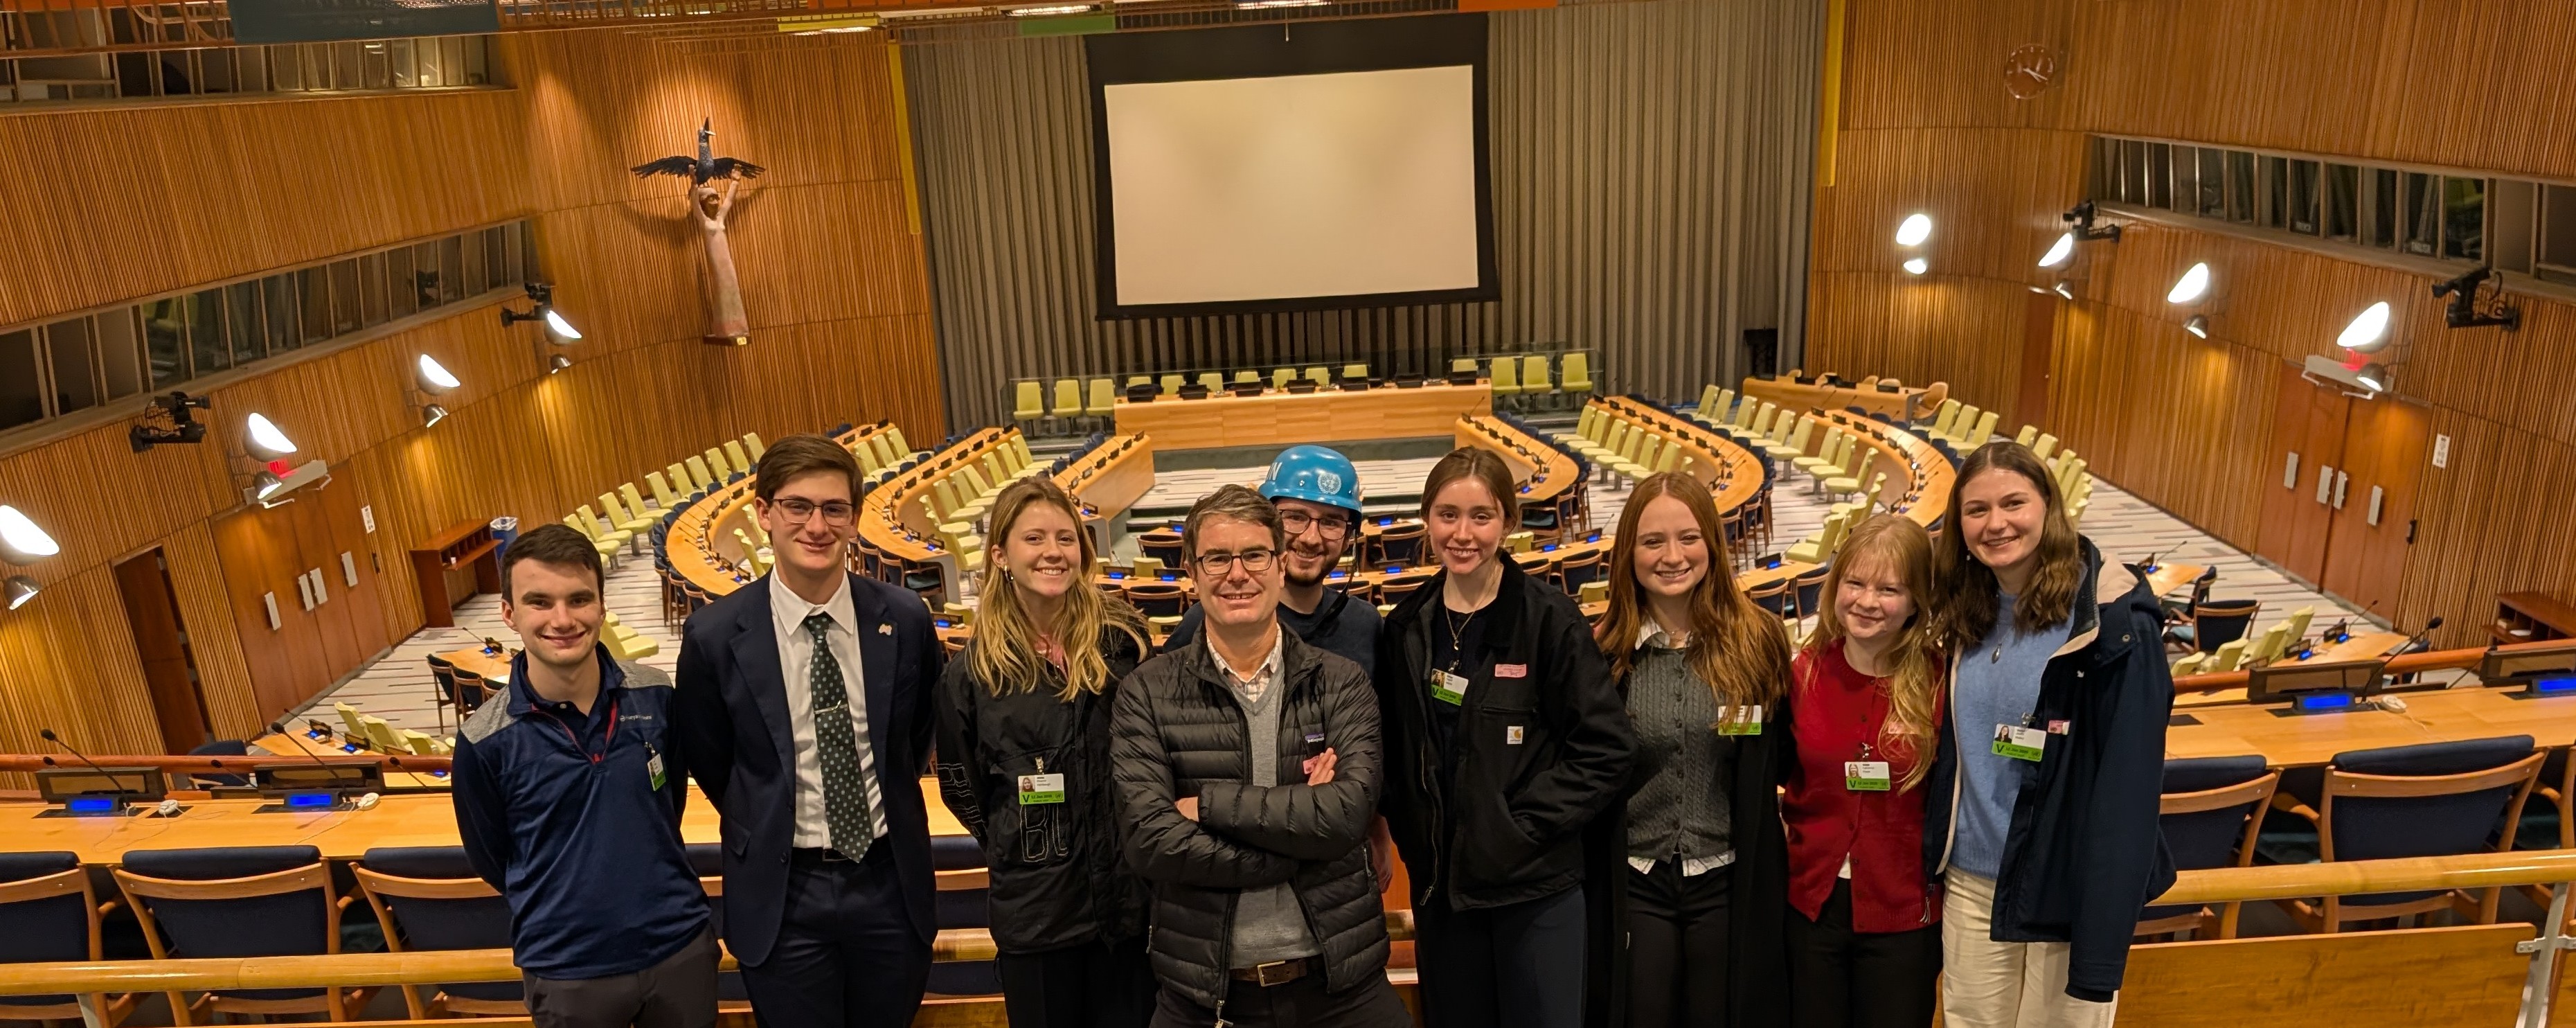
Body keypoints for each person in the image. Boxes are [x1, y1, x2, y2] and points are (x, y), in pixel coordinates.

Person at [672, 433, 945, 1028]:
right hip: (782, 893)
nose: (816, 526)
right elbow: (715, 761)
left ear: (854, 519)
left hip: (888, 885)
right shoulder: (714, 637)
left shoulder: (903, 617)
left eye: (834, 509)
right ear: (765, 513)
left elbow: (916, 737)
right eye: (798, 506)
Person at [1110, 485, 1408, 1028]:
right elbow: (1150, 843)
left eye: (1253, 555)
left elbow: (1346, 818)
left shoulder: (1341, 682)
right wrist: (1304, 841)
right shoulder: (1144, 693)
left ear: (1278, 564)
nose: (1237, 573)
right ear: (1192, 573)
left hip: (1343, 989)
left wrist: (1206, 807)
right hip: (1203, 996)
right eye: (1217, 558)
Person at [1375, 447, 1636, 1028]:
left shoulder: (1549, 621)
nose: (1462, 533)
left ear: (1508, 523)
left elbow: (1607, 748)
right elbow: (1397, 750)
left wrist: (1523, 825)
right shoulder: (1408, 625)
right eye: (1447, 515)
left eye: (1481, 516)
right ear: (1426, 518)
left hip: (1534, 891)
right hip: (1444, 897)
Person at [1925, 441, 2174, 1027]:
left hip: (2061, 881)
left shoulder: (2114, 624)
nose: (1996, 524)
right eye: (1976, 510)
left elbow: (2128, 790)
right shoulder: (1964, 610)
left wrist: (2102, 937)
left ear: (2049, 506)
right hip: (1971, 880)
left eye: (2014, 502)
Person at [452, 523, 716, 1028]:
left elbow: (669, 804)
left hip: (678, 948)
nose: (563, 619)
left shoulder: (657, 695)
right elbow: (493, 859)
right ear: (509, 613)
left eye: (578, 599)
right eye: (540, 602)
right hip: (568, 969)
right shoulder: (484, 740)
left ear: (601, 604)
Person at [935, 478, 1159, 1027]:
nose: (1053, 552)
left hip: (1131, 911)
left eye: (1066, 538)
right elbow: (963, 789)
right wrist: (1023, 843)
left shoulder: (1124, 643)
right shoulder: (972, 674)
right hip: (1036, 916)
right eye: (1034, 538)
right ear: (1000, 555)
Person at [1591, 472, 1792, 1028]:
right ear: (1629, 550)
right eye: (1653, 541)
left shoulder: (1761, 640)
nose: (1672, 556)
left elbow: (1786, 758)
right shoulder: (1603, 651)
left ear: (1713, 544)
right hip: (1637, 881)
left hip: (1729, 880)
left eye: (1688, 538)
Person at [1781, 515, 1946, 1028]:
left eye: (1889, 589)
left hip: (1904, 914)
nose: (1867, 601)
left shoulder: (1942, 681)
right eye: (1855, 582)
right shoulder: (1802, 673)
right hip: (1811, 906)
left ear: (1918, 599)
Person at [1161, 444, 1381, 674]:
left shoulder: (1365, 624)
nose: (1311, 538)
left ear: (1348, 539)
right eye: (1296, 517)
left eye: (1331, 522)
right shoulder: (1208, 622)